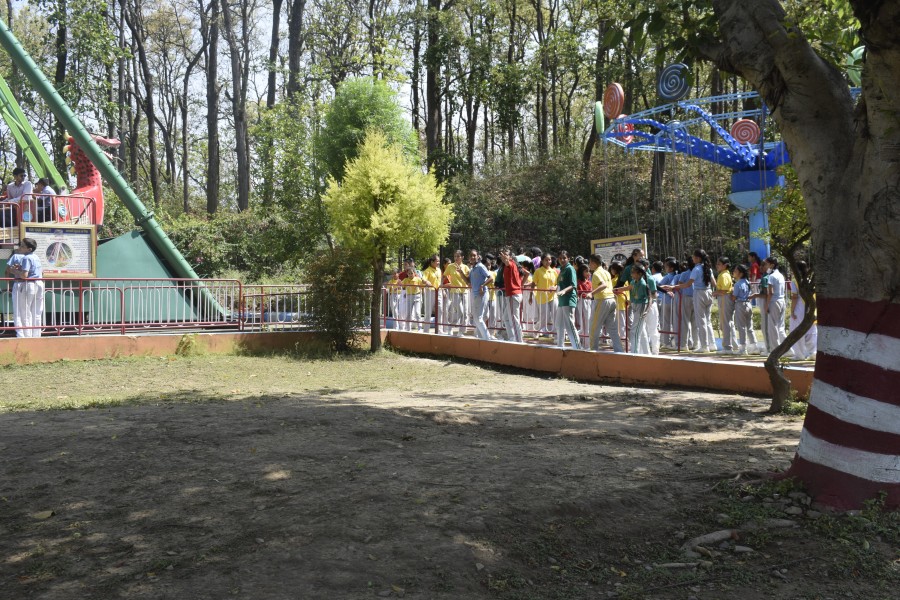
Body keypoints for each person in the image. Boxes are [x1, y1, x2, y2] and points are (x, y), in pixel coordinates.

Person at [6, 237, 44, 338]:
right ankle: (36, 335)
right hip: (39, 283)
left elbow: (24, 275)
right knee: (36, 312)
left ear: (29, 249)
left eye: (22, 246)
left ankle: (26, 337)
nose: (20, 248)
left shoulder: (26, 258)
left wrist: (14, 271)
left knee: (24, 312)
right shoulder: (36, 257)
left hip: (29, 285)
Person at [588, 254, 622, 352]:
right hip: (611, 299)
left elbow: (603, 285)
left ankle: (593, 351)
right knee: (613, 329)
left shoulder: (596, 273)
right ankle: (619, 351)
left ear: (594, 263)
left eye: (590, 263)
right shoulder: (606, 272)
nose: (589, 265)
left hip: (602, 300)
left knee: (594, 328)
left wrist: (591, 293)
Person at [788, 260, 818, 360]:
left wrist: (792, 311)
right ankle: (813, 352)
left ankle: (799, 354)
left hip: (799, 309)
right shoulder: (810, 280)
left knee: (797, 331)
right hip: (810, 308)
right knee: (811, 330)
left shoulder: (795, 281)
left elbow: (794, 297)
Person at [554, 250, 581, 349]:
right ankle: (560, 346)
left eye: (564, 258)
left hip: (568, 300)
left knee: (570, 325)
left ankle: (577, 348)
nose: (562, 260)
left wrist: (564, 291)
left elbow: (573, 285)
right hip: (561, 300)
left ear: (568, 259)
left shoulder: (570, 269)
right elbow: (560, 284)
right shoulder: (562, 269)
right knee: (559, 324)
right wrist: (556, 289)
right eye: (560, 258)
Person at [712, 256, 738, 354]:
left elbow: (725, 290)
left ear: (725, 265)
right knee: (729, 322)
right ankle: (734, 344)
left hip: (724, 298)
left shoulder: (723, 275)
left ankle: (727, 347)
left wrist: (715, 293)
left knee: (725, 323)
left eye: (719, 264)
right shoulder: (725, 274)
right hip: (725, 298)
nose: (717, 266)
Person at [467, 250, 494, 340]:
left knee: (478, 318)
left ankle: (487, 338)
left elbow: (491, 278)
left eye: (474, 255)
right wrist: (461, 273)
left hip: (482, 294)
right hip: (475, 295)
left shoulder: (481, 266)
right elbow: (468, 281)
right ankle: (483, 337)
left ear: (478, 256)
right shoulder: (472, 269)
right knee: (476, 318)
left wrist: (482, 285)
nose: (472, 257)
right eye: (471, 256)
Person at [498, 248, 524, 343]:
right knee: (506, 318)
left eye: (506, 255)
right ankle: (512, 337)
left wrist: (506, 260)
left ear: (510, 257)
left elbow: (508, 263)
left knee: (514, 319)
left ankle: (519, 341)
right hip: (513, 294)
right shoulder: (510, 265)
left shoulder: (511, 264)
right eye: (503, 254)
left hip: (513, 295)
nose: (504, 256)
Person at [731, 264, 757, 355]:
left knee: (741, 327)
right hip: (748, 304)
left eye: (736, 271)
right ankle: (754, 346)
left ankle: (743, 348)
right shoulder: (747, 282)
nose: (734, 272)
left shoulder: (737, 284)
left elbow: (734, 297)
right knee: (749, 327)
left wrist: (731, 294)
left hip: (740, 305)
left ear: (741, 273)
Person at [443, 250, 470, 336]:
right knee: (460, 311)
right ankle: (450, 326)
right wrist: (441, 286)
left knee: (465, 313)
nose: (456, 258)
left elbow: (469, 279)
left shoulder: (465, 267)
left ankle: (461, 331)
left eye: (458, 256)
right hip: (455, 292)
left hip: (465, 291)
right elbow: (444, 276)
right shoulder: (450, 266)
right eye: (455, 256)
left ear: (462, 257)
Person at [530, 253, 558, 335]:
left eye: (549, 260)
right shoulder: (538, 271)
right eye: (546, 260)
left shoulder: (554, 271)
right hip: (542, 297)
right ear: (542, 261)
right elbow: (533, 284)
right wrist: (530, 296)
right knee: (544, 318)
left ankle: (556, 334)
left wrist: (555, 287)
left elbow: (557, 284)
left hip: (553, 296)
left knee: (556, 315)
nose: (548, 261)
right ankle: (536, 330)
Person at [765, 256, 787, 350]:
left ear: (772, 265)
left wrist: (766, 305)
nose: (765, 266)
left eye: (767, 264)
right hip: (782, 301)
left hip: (774, 302)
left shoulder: (771, 276)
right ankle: (787, 348)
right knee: (781, 327)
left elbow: (771, 292)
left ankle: (775, 349)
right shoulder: (781, 275)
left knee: (773, 327)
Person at [400, 259, 426, 331]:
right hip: (409, 296)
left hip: (417, 296)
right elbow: (402, 286)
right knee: (408, 313)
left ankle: (420, 328)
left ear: (414, 273)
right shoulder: (406, 280)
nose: (410, 275)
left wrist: (424, 285)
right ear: (407, 274)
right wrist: (399, 283)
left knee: (417, 312)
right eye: (409, 273)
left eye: (411, 273)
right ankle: (408, 328)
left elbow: (422, 286)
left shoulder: (418, 279)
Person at [609, 262, 629, 349]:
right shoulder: (625, 280)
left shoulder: (613, 281)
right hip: (623, 304)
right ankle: (623, 342)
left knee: (617, 325)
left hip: (617, 304)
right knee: (622, 324)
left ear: (614, 270)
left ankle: (621, 343)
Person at [421, 255, 442, 333]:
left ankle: (439, 329)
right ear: (432, 262)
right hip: (430, 292)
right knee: (428, 311)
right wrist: (426, 281)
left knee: (440, 310)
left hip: (438, 291)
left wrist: (442, 290)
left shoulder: (439, 270)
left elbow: (440, 281)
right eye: (437, 261)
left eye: (439, 261)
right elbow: (423, 279)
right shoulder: (427, 270)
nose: (438, 262)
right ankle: (426, 330)